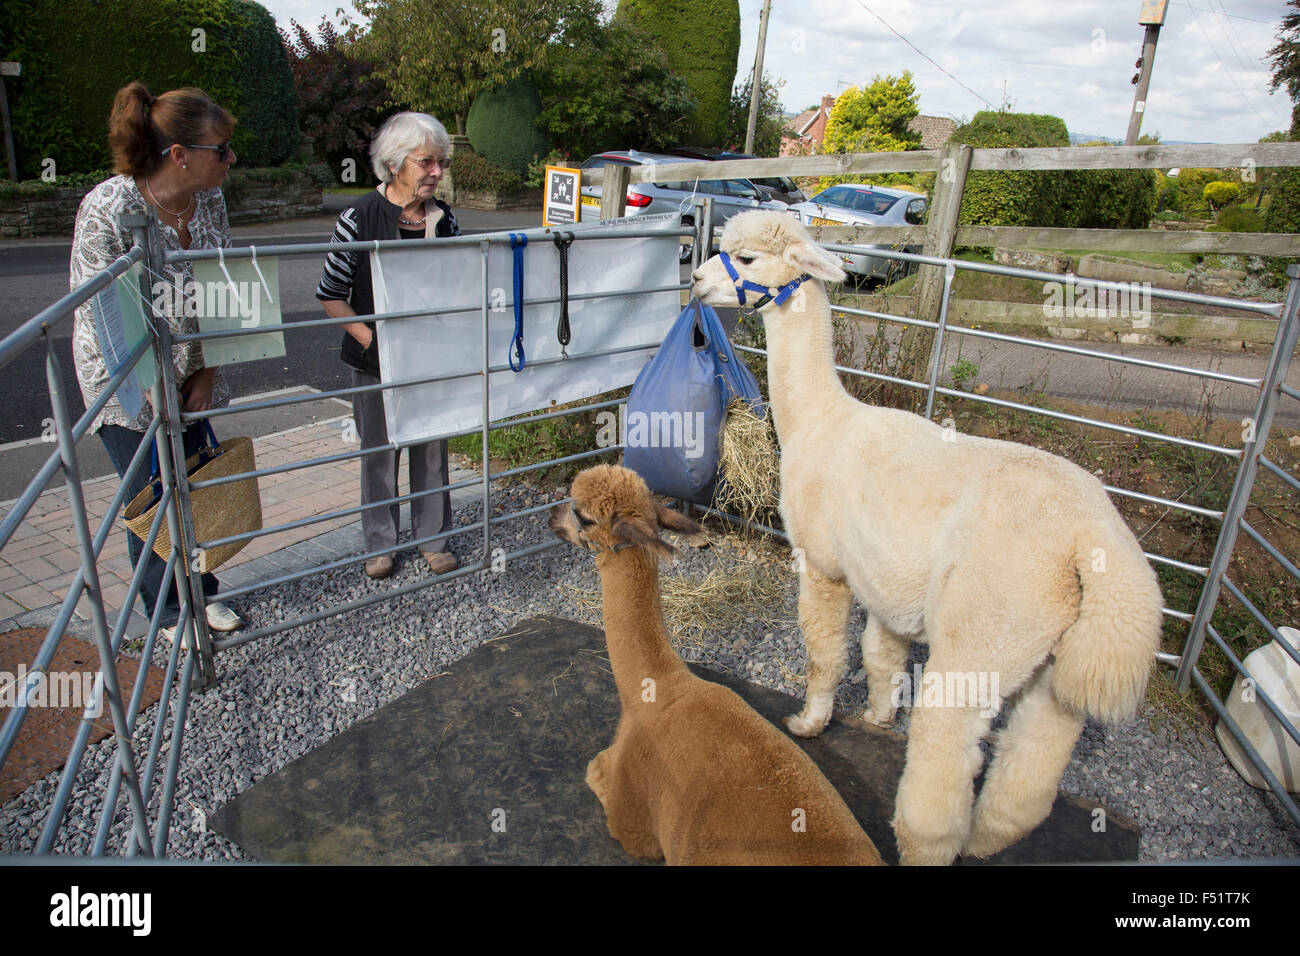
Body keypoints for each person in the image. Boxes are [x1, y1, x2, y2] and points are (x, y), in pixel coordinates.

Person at [70, 81, 242, 641]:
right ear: (180, 155)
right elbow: (104, 311)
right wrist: (151, 385)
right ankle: (167, 611)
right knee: (153, 491)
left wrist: (208, 371)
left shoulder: (210, 198)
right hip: (121, 373)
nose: (231, 160)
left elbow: (225, 282)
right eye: (222, 149)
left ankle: (202, 592)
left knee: (196, 478)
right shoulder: (109, 208)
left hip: (188, 360)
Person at [316, 112, 460, 579]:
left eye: (440, 162)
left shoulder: (445, 218)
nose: (437, 172)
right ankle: (380, 545)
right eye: (427, 163)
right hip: (374, 360)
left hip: (430, 356)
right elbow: (331, 294)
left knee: (432, 449)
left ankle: (433, 540)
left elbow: (458, 285)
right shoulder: (357, 217)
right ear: (396, 163)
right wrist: (373, 339)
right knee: (379, 452)